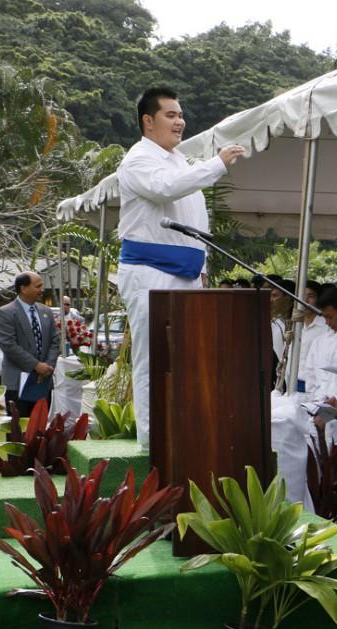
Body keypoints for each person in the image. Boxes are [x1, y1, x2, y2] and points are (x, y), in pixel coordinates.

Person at [115, 86, 245, 451]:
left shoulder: (179, 160)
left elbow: (194, 222)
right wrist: (217, 163)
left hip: (187, 273)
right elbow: (165, 189)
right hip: (150, 271)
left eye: (181, 115)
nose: (179, 122)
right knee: (153, 357)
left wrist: (201, 266)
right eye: (170, 115)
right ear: (148, 121)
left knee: (187, 357)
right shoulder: (138, 159)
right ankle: (152, 443)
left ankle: (183, 435)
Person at [0, 272, 60, 417]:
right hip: (17, 383)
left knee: (40, 427)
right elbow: (9, 345)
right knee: (19, 427)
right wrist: (36, 366)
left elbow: (55, 341)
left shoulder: (46, 312)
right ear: (23, 288)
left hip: (43, 383)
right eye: (38, 286)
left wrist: (47, 367)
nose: (42, 289)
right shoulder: (6, 313)